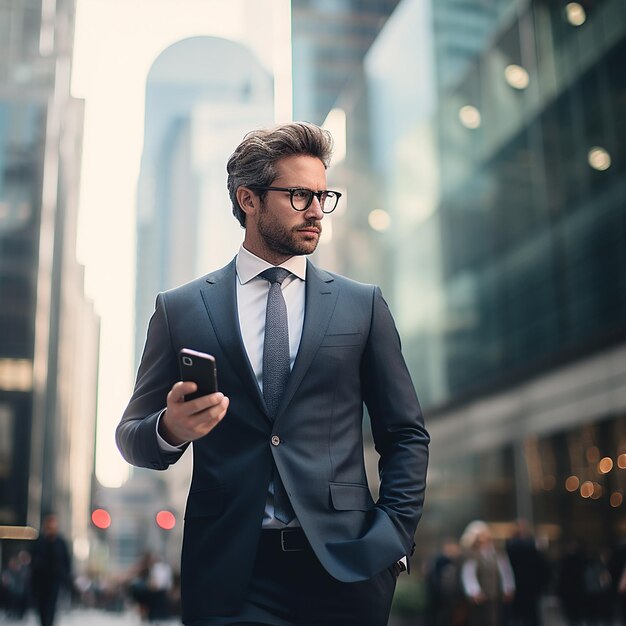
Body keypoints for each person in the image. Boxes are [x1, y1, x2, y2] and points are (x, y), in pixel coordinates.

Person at [116, 121, 430, 626]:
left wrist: (392, 535)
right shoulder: (182, 310)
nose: (316, 213)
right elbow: (131, 437)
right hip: (232, 574)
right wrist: (171, 429)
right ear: (249, 199)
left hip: (346, 567)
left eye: (324, 197)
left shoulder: (361, 306)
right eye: (300, 195)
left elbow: (405, 432)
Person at [460, 520, 515, 626]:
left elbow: (505, 571)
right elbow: (469, 575)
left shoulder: (497, 553)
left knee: (495, 619)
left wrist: (508, 588)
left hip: (495, 595)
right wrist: (474, 591)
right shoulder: (472, 555)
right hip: (480, 598)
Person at [505, 519, 550, 626]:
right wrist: (535, 544)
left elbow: (541, 564)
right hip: (517, 584)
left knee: (531, 613)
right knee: (519, 614)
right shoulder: (513, 543)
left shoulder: (530, 543)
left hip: (531, 585)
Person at [29, 513, 72, 626]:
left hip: (55, 579)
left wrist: (65, 576)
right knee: (42, 605)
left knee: (51, 605)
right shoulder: (40, 541)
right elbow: (33, 558)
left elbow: (66, 561)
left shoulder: (60, 542)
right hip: (41, 579)